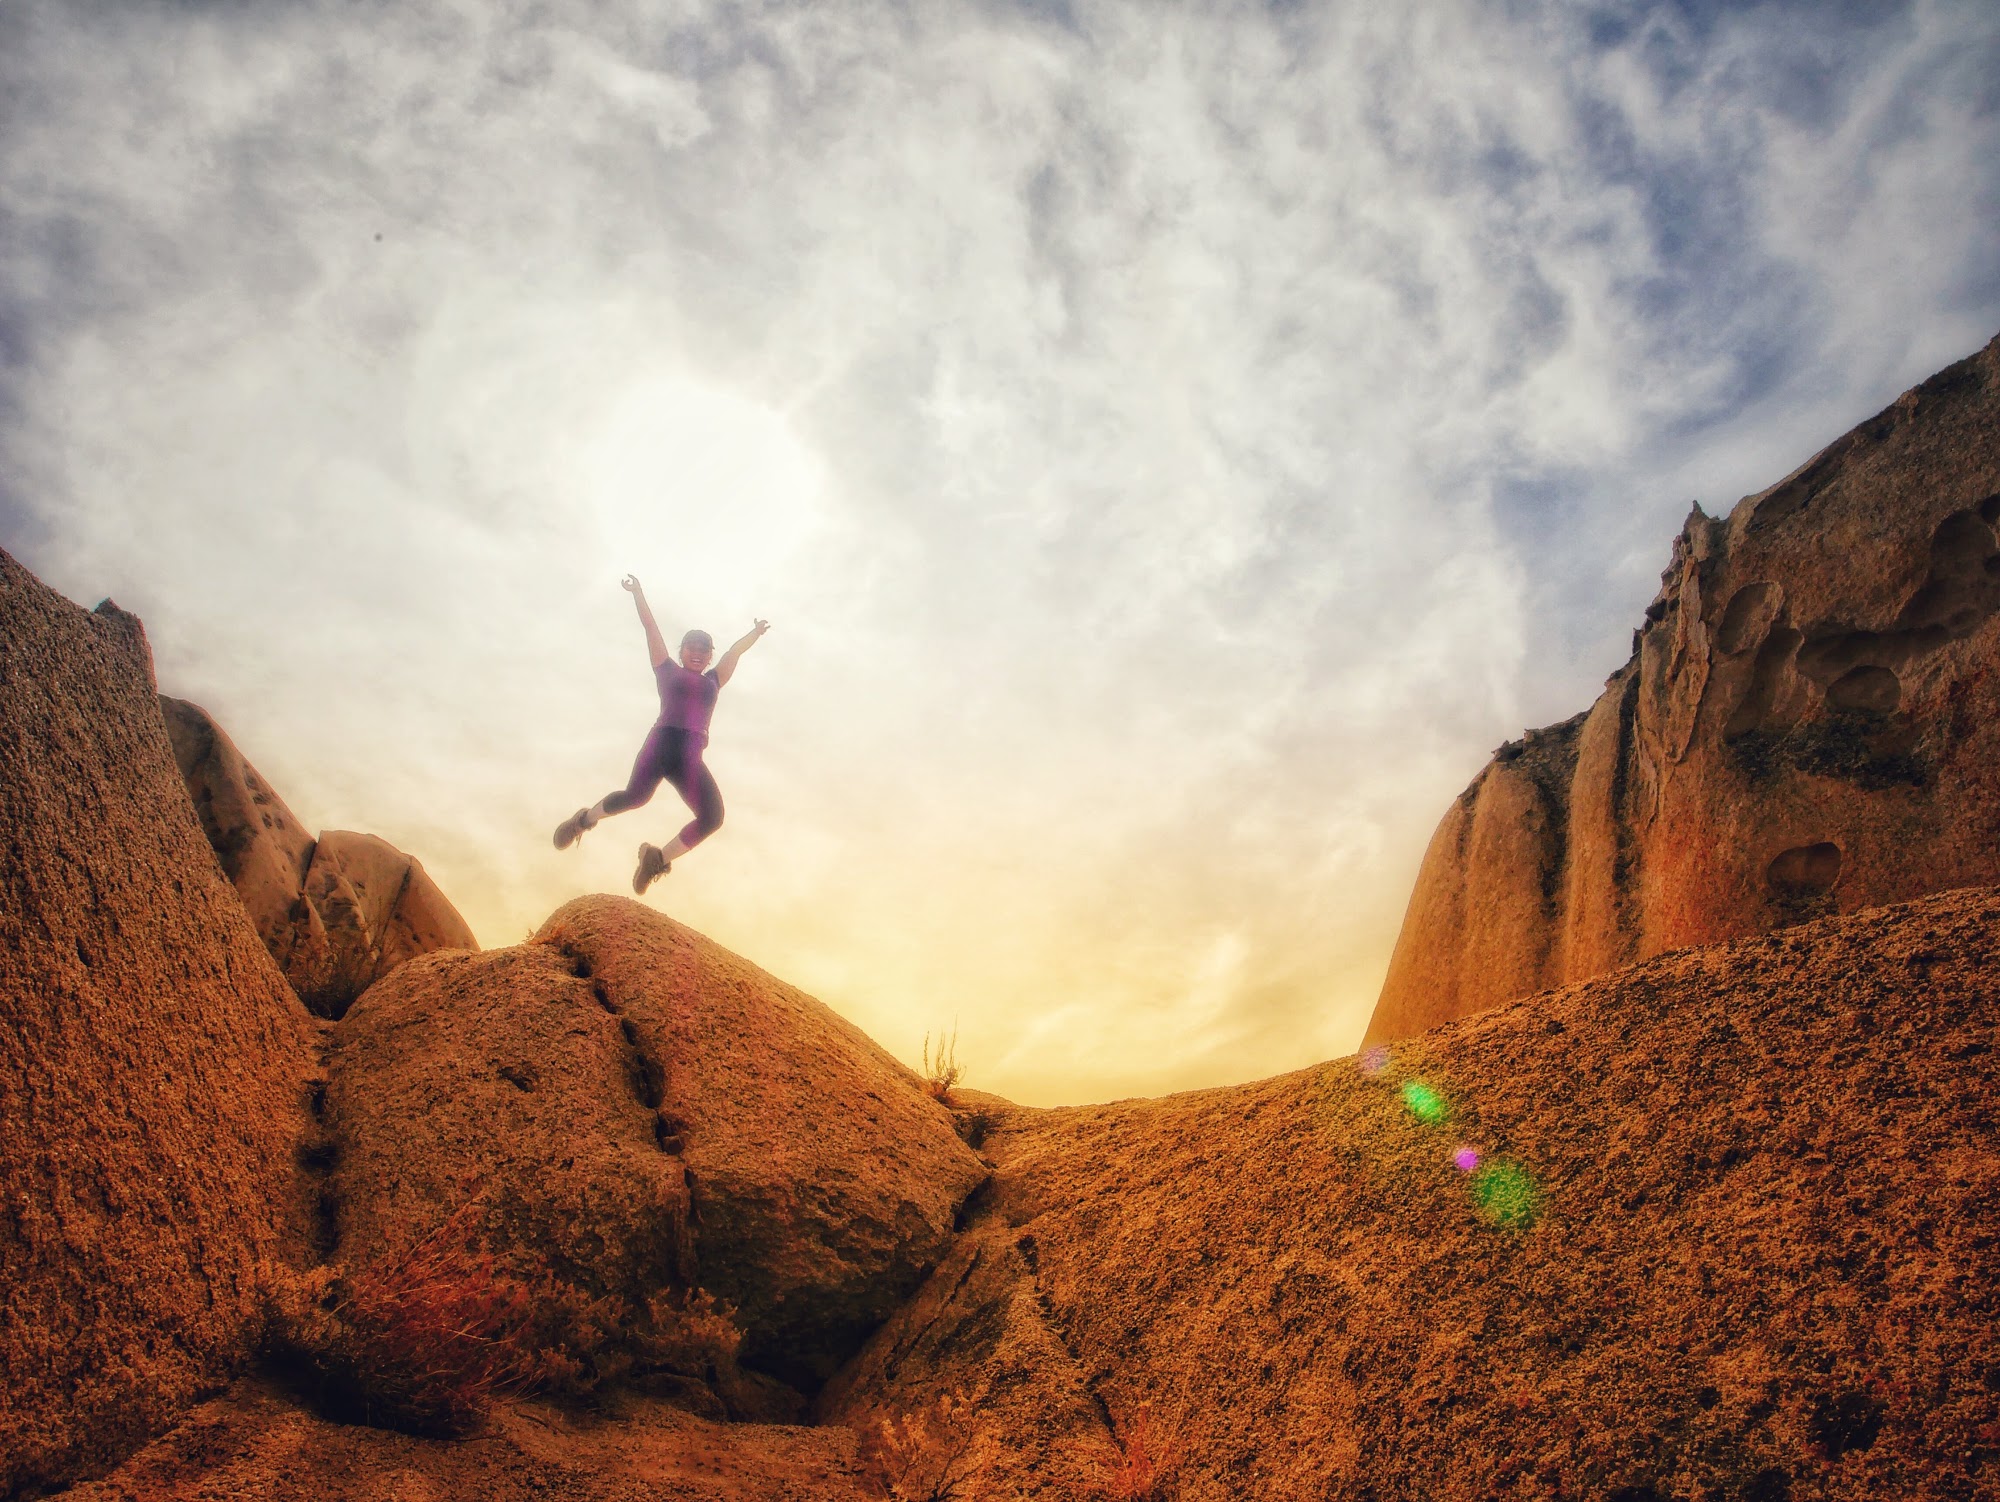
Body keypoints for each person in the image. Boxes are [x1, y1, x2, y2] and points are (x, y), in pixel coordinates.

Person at [554, 574, 768, 894]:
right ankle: (582, 819)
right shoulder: (666, 669)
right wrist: (638, 593)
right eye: (691, 648)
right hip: (662, 744)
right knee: (635, 797)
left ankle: (657, 859)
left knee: (713, 817)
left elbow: (735, 652)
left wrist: (754, 632)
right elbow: (650, 628)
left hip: (689, 757)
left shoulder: (713, 680)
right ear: (682, 652)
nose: (697, 653)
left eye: (704, 649)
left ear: (710, 654)